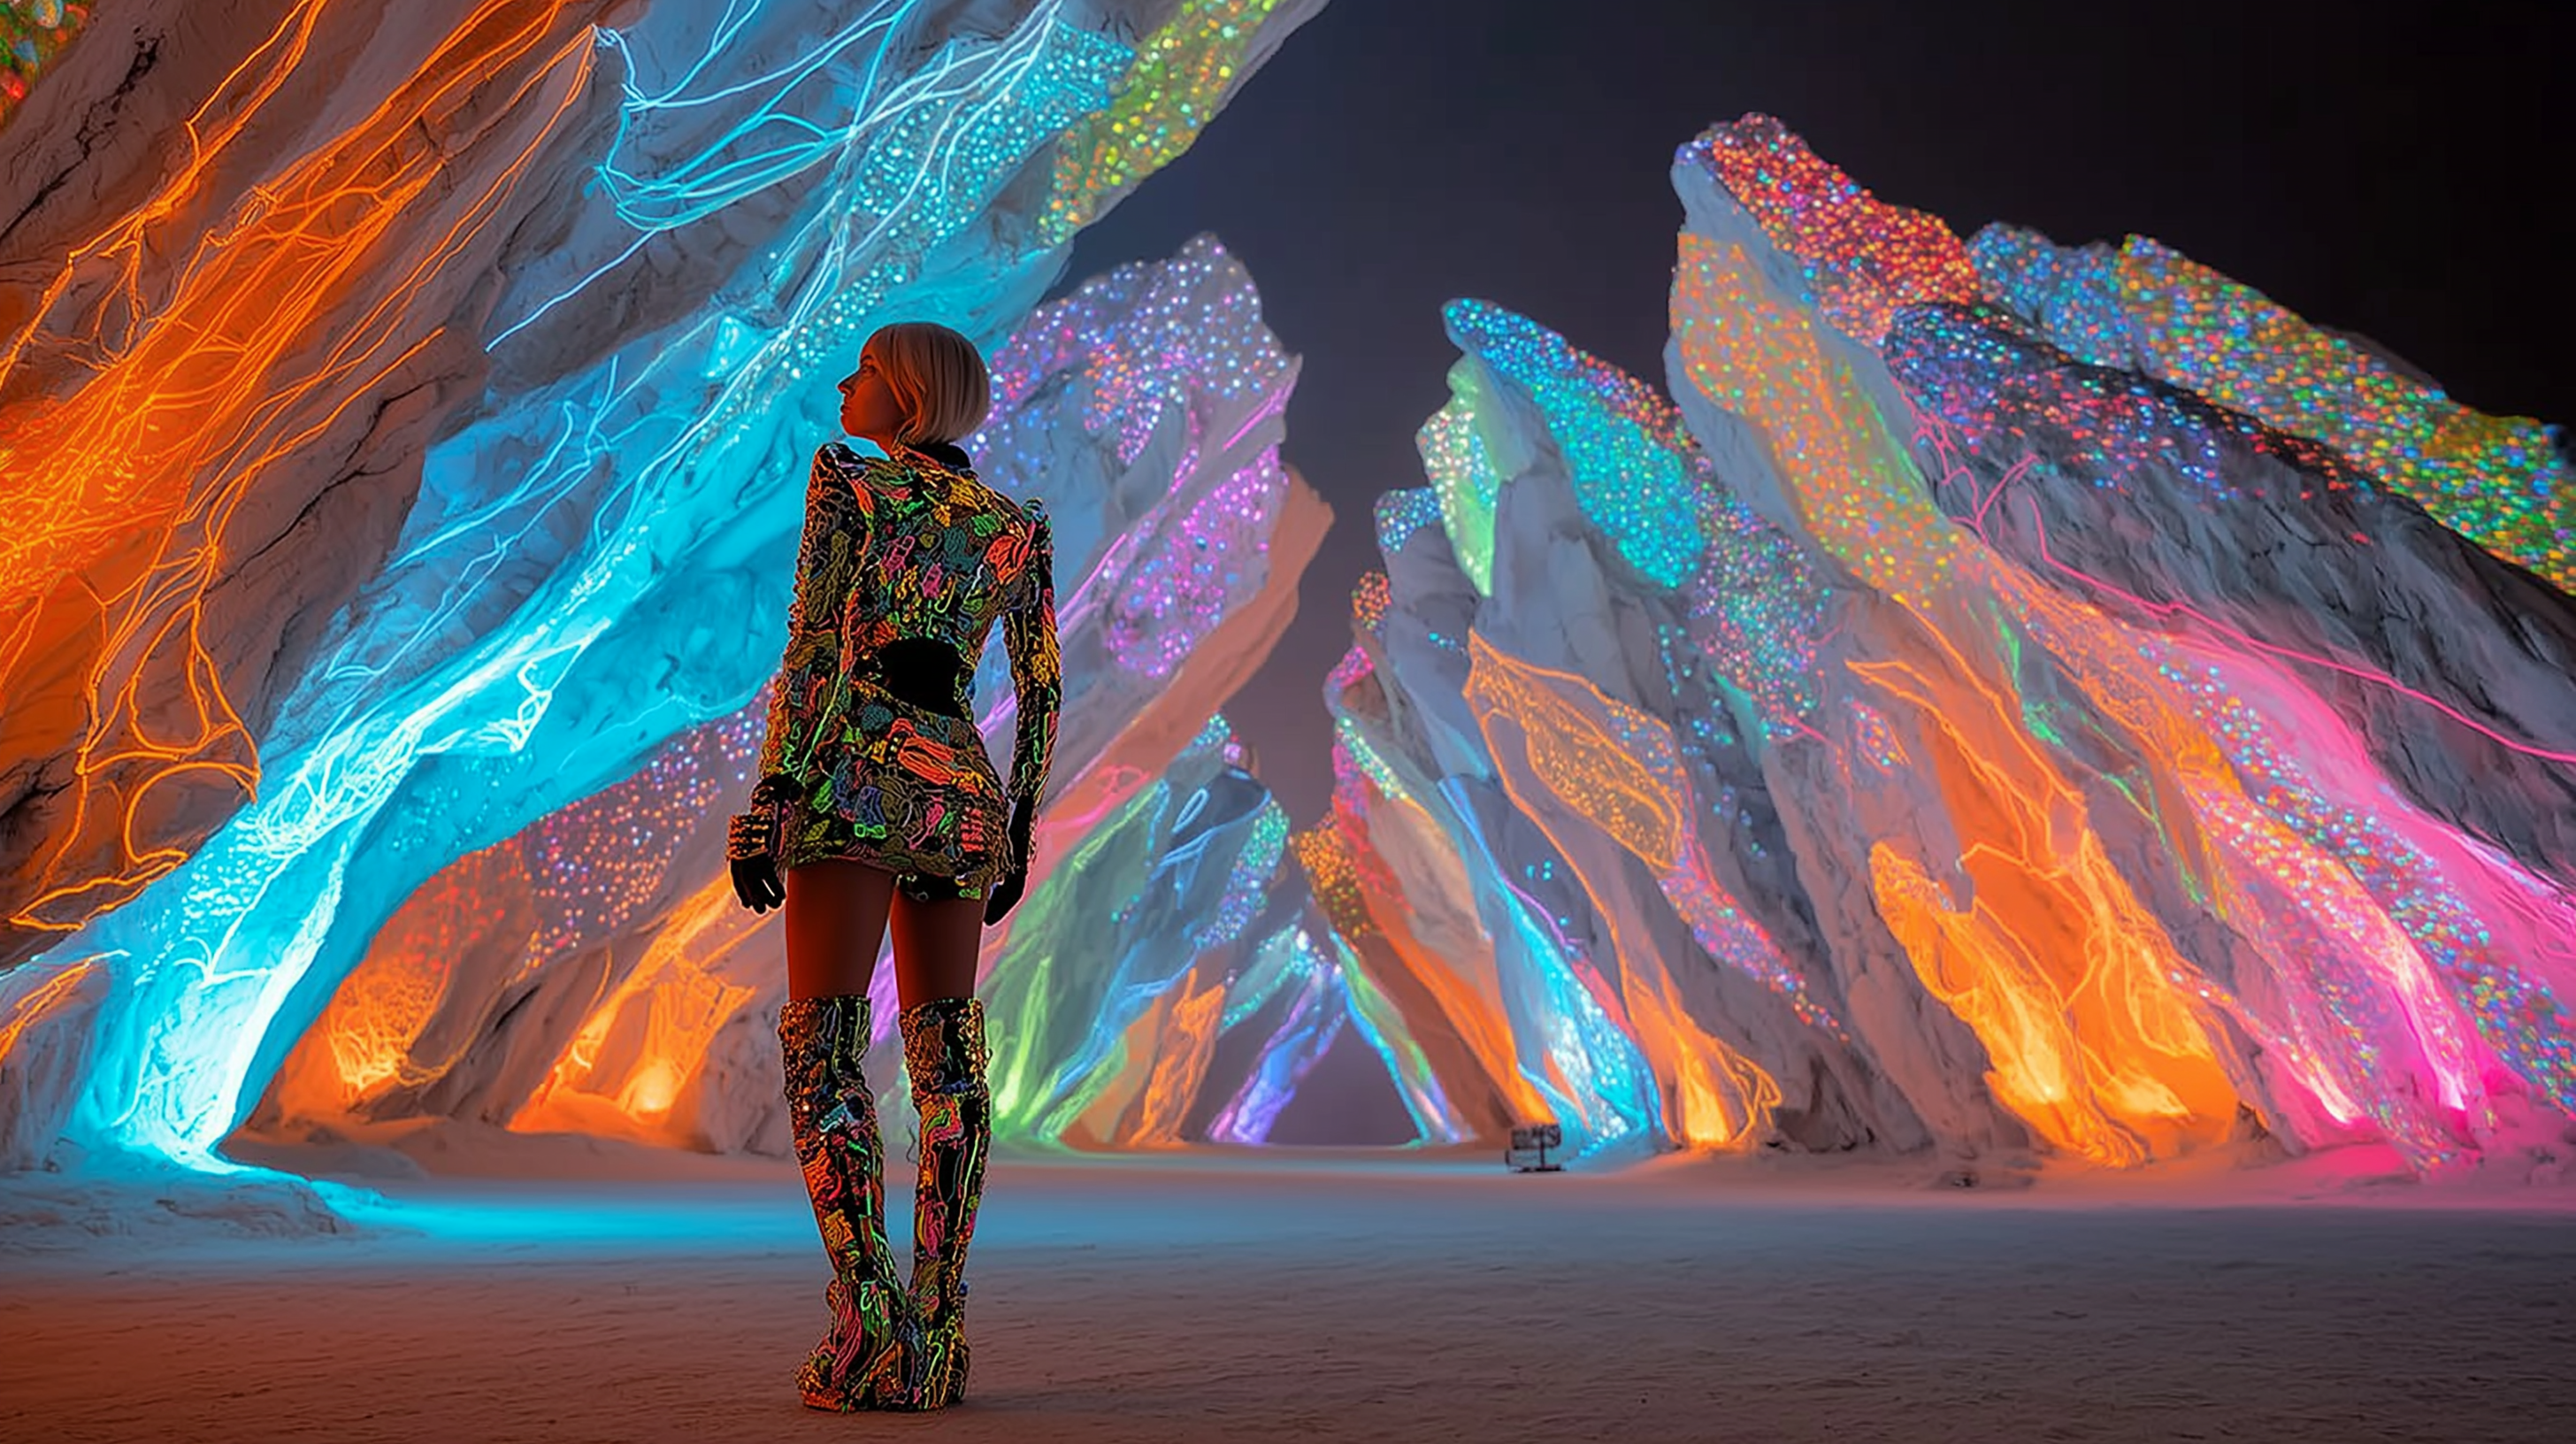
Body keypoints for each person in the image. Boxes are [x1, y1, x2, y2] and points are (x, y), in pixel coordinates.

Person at [725, 321, 1059, 1412]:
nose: (844, 385)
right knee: (948, 1063)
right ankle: (944, 1329)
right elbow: (1043, 693)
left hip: (857, 777)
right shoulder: (1015, 526)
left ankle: (871, 1326)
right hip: (962, 795)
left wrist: (774, 793)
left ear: (906, 395)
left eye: (864, 371)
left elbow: (815, 643)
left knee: (823, 1054)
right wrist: (1016, 821)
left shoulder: (851, 488)